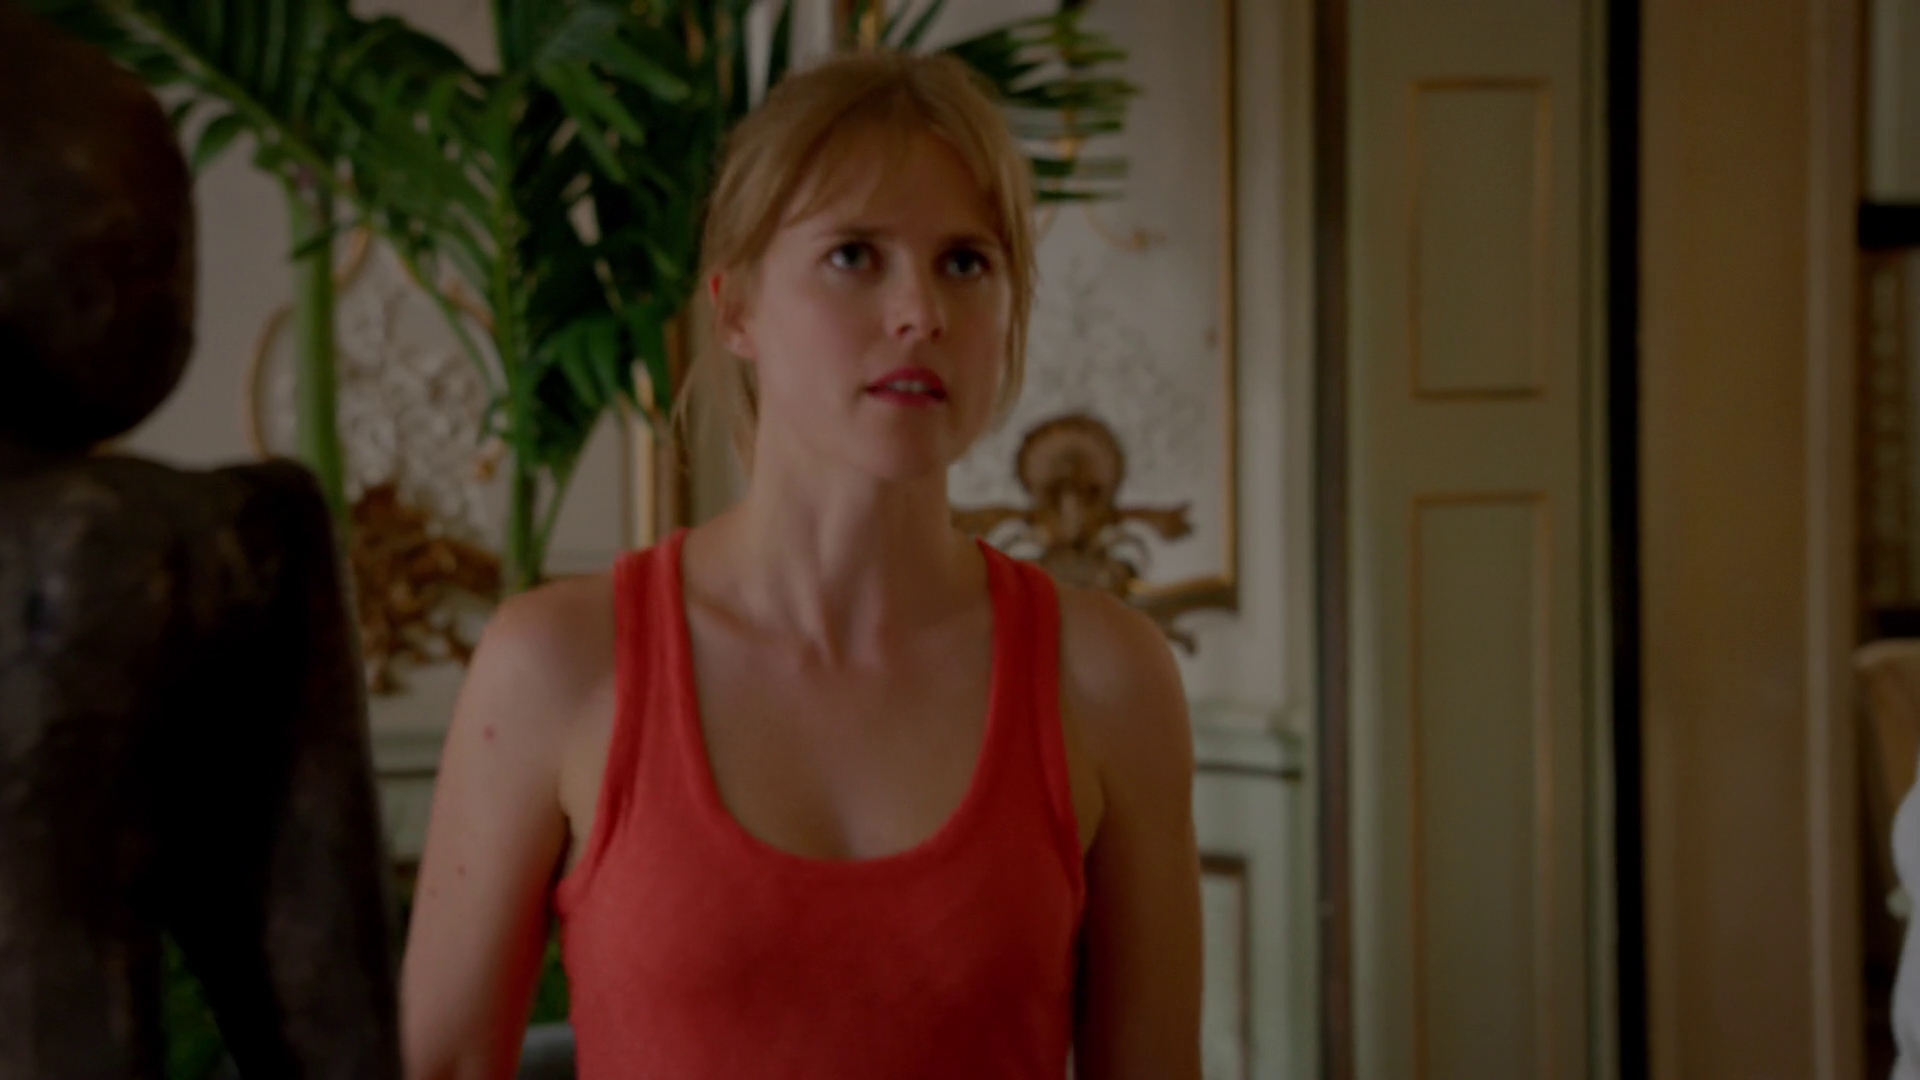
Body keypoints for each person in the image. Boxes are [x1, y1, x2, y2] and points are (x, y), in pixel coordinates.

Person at [399, 48, 1204, 1080]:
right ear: (734, 308)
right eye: (855, 255)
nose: (921, 312)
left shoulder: (1107, 678)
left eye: (966, 262)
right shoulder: (556, 663)